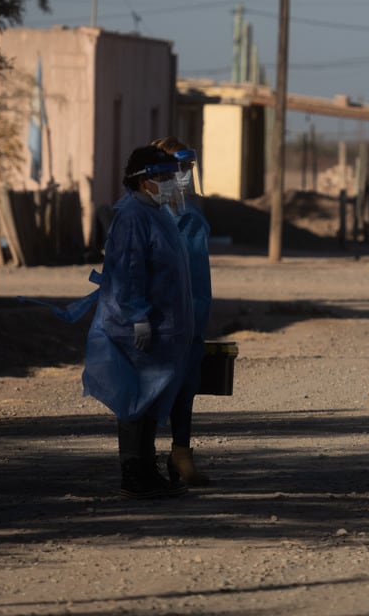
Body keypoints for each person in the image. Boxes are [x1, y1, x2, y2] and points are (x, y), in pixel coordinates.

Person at [83, 145, 194, 498]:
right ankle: (134, 472)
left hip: (161, 326)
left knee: (151, 400)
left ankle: (147, 470)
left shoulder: (157, 213)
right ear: (142, 181)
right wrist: (137, 317)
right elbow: (130, 271)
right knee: (135, 398)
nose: (168, 183)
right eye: (160, 177)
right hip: (138, 325)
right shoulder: (133, 216)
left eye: (169, 176)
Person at [151, 136, 213, 487]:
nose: (186, 175)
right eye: (179, 168)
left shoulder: (191, 213)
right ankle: (142, 460)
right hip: (161, 314)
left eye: (189, 168)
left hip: (193, 312)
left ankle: (181, 453)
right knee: (153, 388)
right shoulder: (148, 213)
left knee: (186, 386)